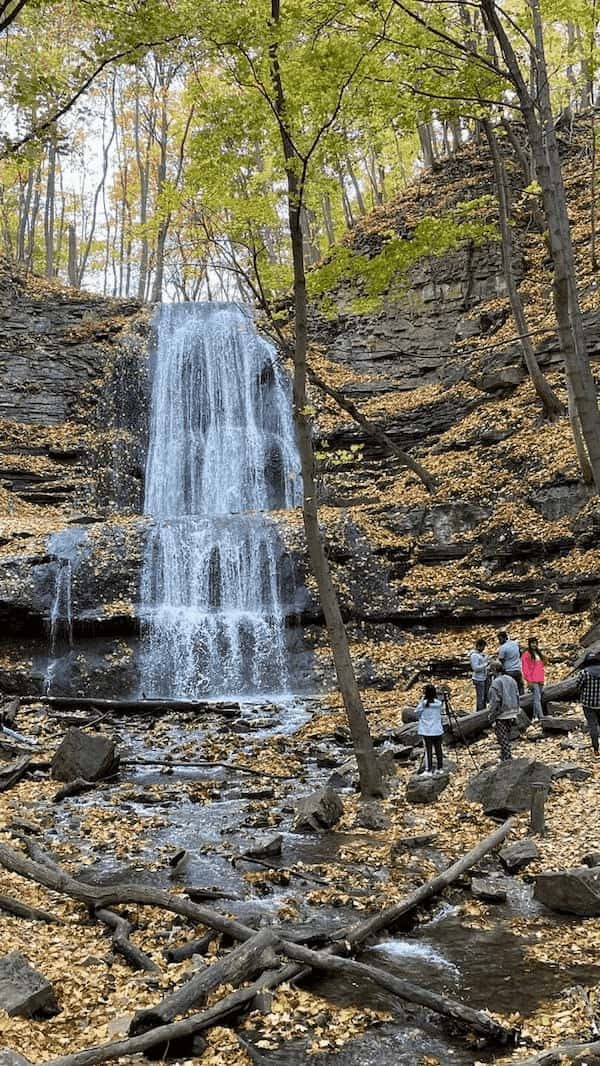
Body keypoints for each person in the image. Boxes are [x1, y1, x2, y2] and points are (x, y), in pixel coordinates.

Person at [487, 661, 520, 761]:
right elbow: (517, 695)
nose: (490, 673)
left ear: (495, 670)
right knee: (507, 736)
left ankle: (507, 758)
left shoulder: (496, 683)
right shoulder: (511, 679)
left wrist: (491, 715)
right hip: (513, 711)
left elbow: (495, 701)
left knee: (502, 737)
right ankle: (504, 756)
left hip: (501, 713)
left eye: (491, 670)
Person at [415, 683, 445, 775]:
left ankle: (428, 769)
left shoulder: (423, 704)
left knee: (428, 750)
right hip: (437, 730)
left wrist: (422, 699)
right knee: (438, 749)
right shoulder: (439, 703)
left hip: (427, 731)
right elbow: (442, 711)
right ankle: (440, 768)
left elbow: (417, 712)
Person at [577, 650, 600, 755]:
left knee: (592, 726)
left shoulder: (584, 672)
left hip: (588, 704)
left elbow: (578, 686)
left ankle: (596, 749)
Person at [521, 637, 546, 720]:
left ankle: (535, 716)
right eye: (532, 643)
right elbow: (525, 669)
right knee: (537, 698)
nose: (534, 645)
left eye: (535, 643)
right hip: (533, 679)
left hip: (540, 678)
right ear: (529, 644)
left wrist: (542, 679)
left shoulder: (538, 653)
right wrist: (529, 680)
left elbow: (541, 666)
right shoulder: (526, 654)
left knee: (538, 698)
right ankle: (541, 716)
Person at [469, 638, 489, 712]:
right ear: (478, 646)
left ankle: (483, 710)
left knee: (484, 696)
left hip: (483, 677)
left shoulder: (479, 654)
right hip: (478, 678)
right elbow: (475, 668)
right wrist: (486, 664)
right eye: (483, 647)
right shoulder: (474, 656)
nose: (483, 649)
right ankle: (480, 711)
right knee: (480, 697)